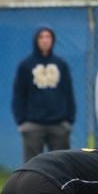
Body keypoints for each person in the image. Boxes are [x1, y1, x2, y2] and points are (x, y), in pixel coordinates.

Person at [12, 26, 75, 163]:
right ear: (36, 40)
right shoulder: (26, 65)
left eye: (48, 37)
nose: (45, 40)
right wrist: (22, 121)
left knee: (61, 164)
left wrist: (69, 120)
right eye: (41, 37)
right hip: (33, 124)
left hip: (59, 124)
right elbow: (19, 94)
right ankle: (31, 186)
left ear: (53, 40)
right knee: (32, 165)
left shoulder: (61, 65)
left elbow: (68, 92)